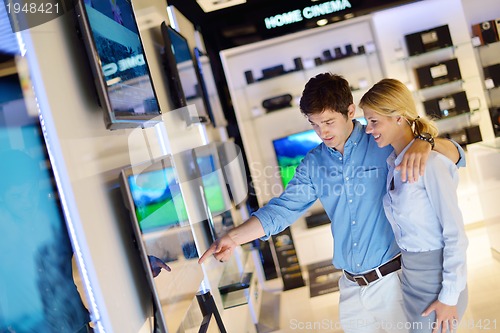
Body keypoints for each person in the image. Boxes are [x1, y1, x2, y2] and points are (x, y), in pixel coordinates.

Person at [198, 73, 464, 333]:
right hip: (350, 289)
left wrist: (425, 142)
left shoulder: (382, 141)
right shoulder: (314, 163)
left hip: (393, 282)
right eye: (314, 124)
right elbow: (281, 210)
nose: (321, 132)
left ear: (350, 111)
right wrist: (233, 238)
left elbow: (457, 156)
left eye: (328, 122)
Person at [359, 78, 468, 333]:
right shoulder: (392, 165)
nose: (368, 130)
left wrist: (449, 296)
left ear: (398, 117)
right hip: (411, 276)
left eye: (374, 121)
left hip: (438, 278)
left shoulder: (431, 163)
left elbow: (456, 234)